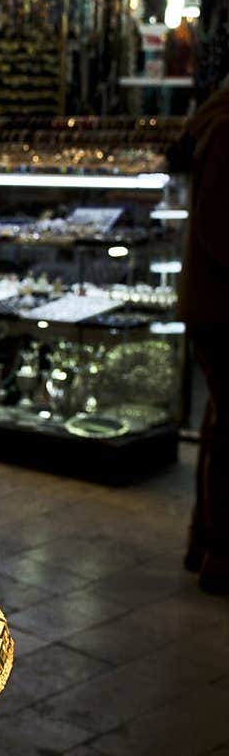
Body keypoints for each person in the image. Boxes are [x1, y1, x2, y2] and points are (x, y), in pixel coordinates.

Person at [176, 80, 229, 594]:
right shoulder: (226, 127)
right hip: (220, 305)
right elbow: (221, 227)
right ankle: (218, 551)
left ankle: (209, 543)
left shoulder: (214, 120)